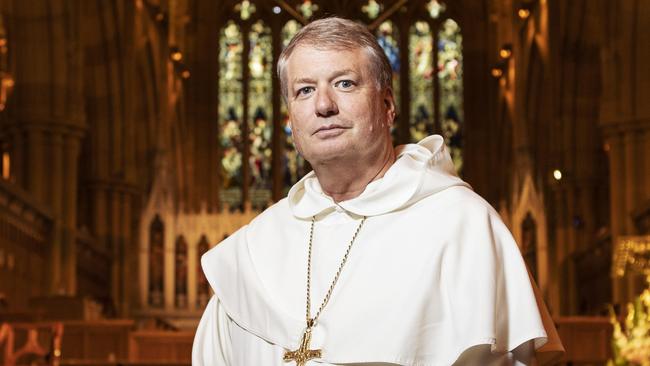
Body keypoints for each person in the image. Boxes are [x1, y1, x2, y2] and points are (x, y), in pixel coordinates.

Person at [193, 17, 563, 365]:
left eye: (344, 83)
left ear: (387, 106)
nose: (323, 105)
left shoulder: (461, 225)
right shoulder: (249, 253)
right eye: (305, 90)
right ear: (290, 120)